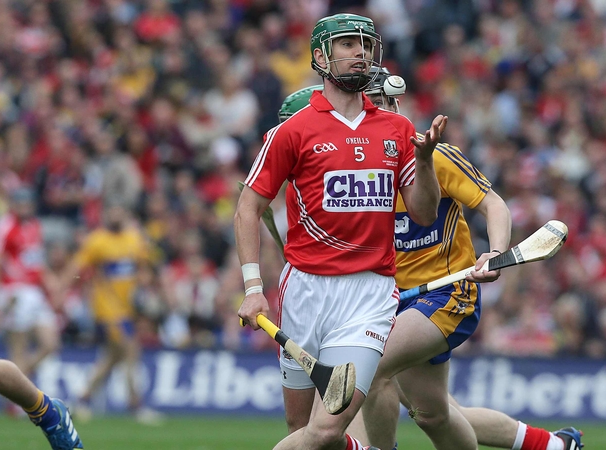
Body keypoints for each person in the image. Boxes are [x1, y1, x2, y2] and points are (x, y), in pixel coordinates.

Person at [274, 73, 584, 450]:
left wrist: (496, 253)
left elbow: (494, 205)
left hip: (447, 292)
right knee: (434, 412)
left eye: (378, 103)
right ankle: (553, 445)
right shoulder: (349, 170)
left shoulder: (435, 157)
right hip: (389, 300)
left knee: (368, 370)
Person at [236, 13, 444, 450]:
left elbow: (424, 213)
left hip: (368, 296)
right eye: (348, 44)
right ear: (320, 56)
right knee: (304, 432)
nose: (360, 52)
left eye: (366, 44)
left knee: (326, 427)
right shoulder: (291, 131)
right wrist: (253, 287)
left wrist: (424, 162)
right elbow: (248, 207)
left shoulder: (398, 129)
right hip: (303, 292)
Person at [0, 131, 84, 449]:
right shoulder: (9, 227)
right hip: (14, 294)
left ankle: (48, 413)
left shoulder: (27, 227)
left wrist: (52, 288)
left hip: (23, 295)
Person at [56, 202, 161, 425]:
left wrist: (145, 284)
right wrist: (61, 291)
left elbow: (145, 266)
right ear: (105, 216)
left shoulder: (134, 238)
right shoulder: (97, 241)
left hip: (128, 308)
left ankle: (82, 399)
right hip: (107, 308)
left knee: (112, 358)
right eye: (111, 211)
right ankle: (136, 405)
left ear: (124, 214)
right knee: (131, 350)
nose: (115, 215)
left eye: (118, 211)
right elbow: (77, 267)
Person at [0, 186, 61, 417]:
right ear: (14, 204)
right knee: (19, 348)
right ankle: (18, 403)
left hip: (35, 292)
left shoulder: (34, 226)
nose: (25, 207)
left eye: (28, 203)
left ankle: (11, 387)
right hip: (13, 292)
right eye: (21, 203)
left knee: (51, 343)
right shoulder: (5, 226)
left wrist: (51, 283)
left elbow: (35, 261)